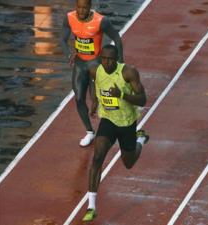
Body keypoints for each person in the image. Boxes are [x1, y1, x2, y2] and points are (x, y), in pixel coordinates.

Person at [82, 45, 149, 222]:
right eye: (104, 58)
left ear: (117, 59)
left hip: (127, 123)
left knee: (128, 162)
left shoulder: (128, 73)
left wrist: (122, 95)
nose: (107, 62)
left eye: (111, 59)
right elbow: (93, 81)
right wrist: (95, 101)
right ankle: (91, 206)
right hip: (108, 120)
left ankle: (140, 139)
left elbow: (143, 99)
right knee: (97, 157)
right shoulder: (95, 70)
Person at [60, 0, 124, 147]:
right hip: (80, 65)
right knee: (79, 98)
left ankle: (121, 123)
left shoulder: (101, 21)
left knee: (100, 98)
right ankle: (90, 131)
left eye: (84, 8)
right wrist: (68, 54)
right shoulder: (69, 17)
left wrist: (120, 63)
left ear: (90, 7)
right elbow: (62, 40)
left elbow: (116, 38)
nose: (81, 11)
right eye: (79, 7)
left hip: (95, 65)